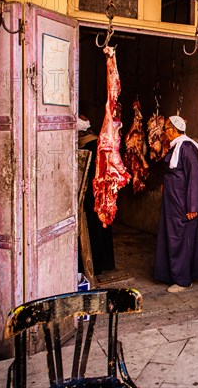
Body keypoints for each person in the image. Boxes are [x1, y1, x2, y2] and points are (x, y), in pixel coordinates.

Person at [154, 115, 198, 292]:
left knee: (182, 239)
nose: (165, 134)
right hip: (173, 202)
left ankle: (183, 280)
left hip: (182, 204)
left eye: (167, 130)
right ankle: (173, 275)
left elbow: (195, 177)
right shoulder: (176, 147)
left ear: (174, 130)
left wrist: (193, 206)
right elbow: (174, 172)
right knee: (172, 237)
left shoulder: (186, 148)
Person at [78, 115, 116, 275]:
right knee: (101, 226)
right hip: (101, 192)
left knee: (94, 226)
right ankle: (104, 262)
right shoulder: (97, 143)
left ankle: (97, 264)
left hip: (94, 192)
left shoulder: (91, 146)